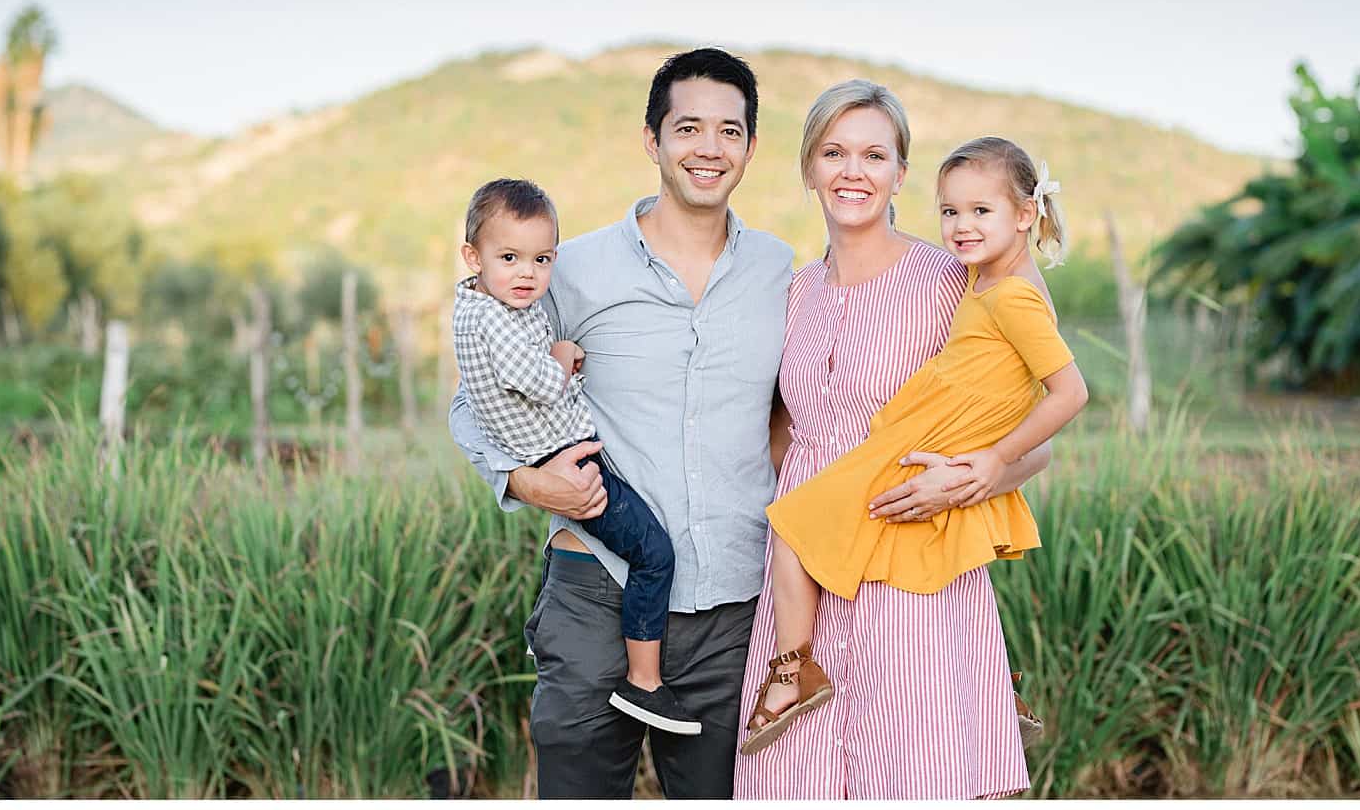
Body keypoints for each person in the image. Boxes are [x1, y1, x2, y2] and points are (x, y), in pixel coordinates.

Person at [448, 48, 794, 797]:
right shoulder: (568, 268)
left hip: (734, 604)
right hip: (593, 592)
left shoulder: (781, 272)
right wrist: (523, 481)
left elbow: (802, 409)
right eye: (688, 127)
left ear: (751, 148)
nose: (709, 148)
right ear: (652, 139)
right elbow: (469, 396)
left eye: (729, 131)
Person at [733, 80, 1052, 799]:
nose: (854, 171)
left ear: (901, 172)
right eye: (835, 152)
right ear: (810, 165)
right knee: (794, 776)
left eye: (875, 154)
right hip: (804, 579)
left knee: (918, 769)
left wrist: (970, 478)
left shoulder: (954, 282)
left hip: (917, 571)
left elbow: (1037, 440)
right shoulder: (794, 291)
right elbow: (785, 432)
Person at [451, 177, 699, 735]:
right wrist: (562, 356)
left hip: (562, 449)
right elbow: (535, 381)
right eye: (509, 257)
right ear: (473, 256)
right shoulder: (493, 318)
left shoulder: (483, 307)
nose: (526, 273)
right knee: (654, 554)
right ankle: (645, 682)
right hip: (568, 461)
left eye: (540, 260)